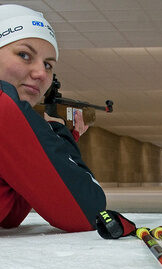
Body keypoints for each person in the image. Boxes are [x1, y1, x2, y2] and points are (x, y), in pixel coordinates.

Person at [0, 4, 106, 232]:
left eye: (48, 65)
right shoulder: (3, 106)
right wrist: (61, 138)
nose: (40, 73)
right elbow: (89, 211)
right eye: (24, 55)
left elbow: (10, 215)